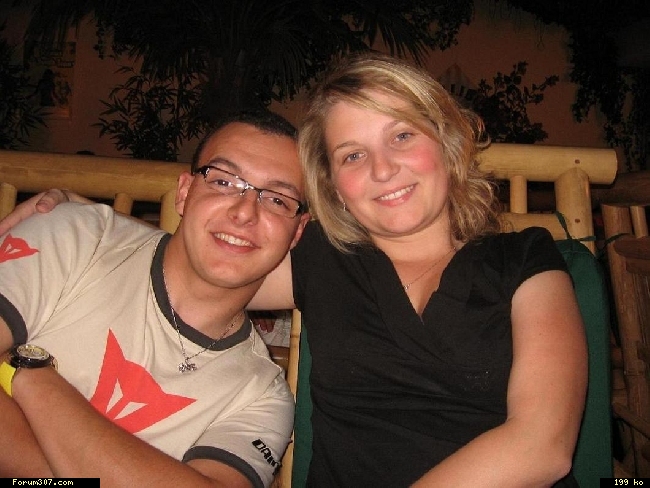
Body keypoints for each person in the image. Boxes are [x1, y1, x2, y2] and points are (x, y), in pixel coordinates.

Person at [1, 53, 588, 487]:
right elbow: (215, 252)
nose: (382, 169)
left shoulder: (525, 259)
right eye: (352, 154)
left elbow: (542, 445)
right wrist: (81, 219)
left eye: (403, 135)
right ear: (333, 184)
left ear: (447, 139)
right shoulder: (322, 259)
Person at [0, 109, 310, 487]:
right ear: (184, 193)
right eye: (223, 181)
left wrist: (29, 374)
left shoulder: (261, 395)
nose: (244, 212)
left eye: (277, 200)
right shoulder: (76, 237)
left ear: (297, 233)